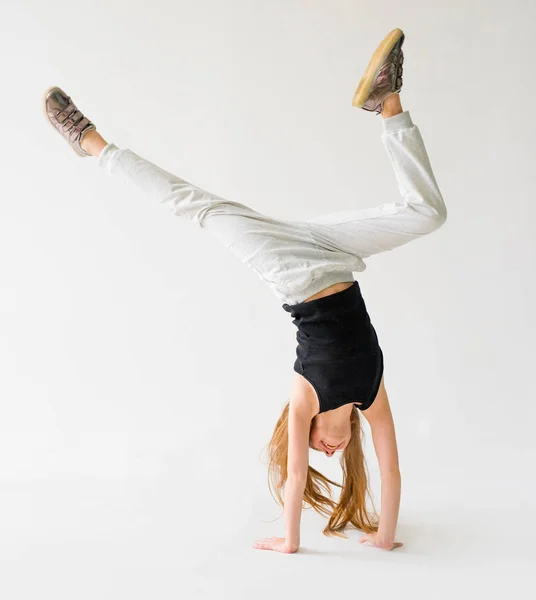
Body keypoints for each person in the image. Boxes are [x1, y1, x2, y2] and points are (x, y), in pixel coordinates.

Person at [43, 27, 447, 554]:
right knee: (428, 214)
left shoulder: (304, 396)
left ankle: (94, 145)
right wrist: (386, 538)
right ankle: (386, 99)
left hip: (292, 271)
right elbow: (391, 467)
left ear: (303, 437)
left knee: (198, 207)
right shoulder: (371, 395)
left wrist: (290, 541)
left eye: (314, 448)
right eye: (331, 452)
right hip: (334, 254)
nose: (326, 450)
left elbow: (296, 481)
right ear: (348, 445)